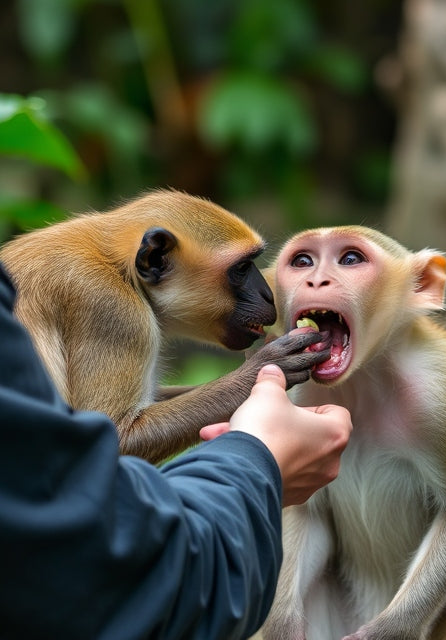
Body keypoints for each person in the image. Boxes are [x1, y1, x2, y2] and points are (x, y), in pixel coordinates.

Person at [0, 264, 352, 640]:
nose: (261, 297)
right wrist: (256, 458)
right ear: (155, 258)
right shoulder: (111, 296)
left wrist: (238, 394)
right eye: (238, 272)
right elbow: (121, 573)